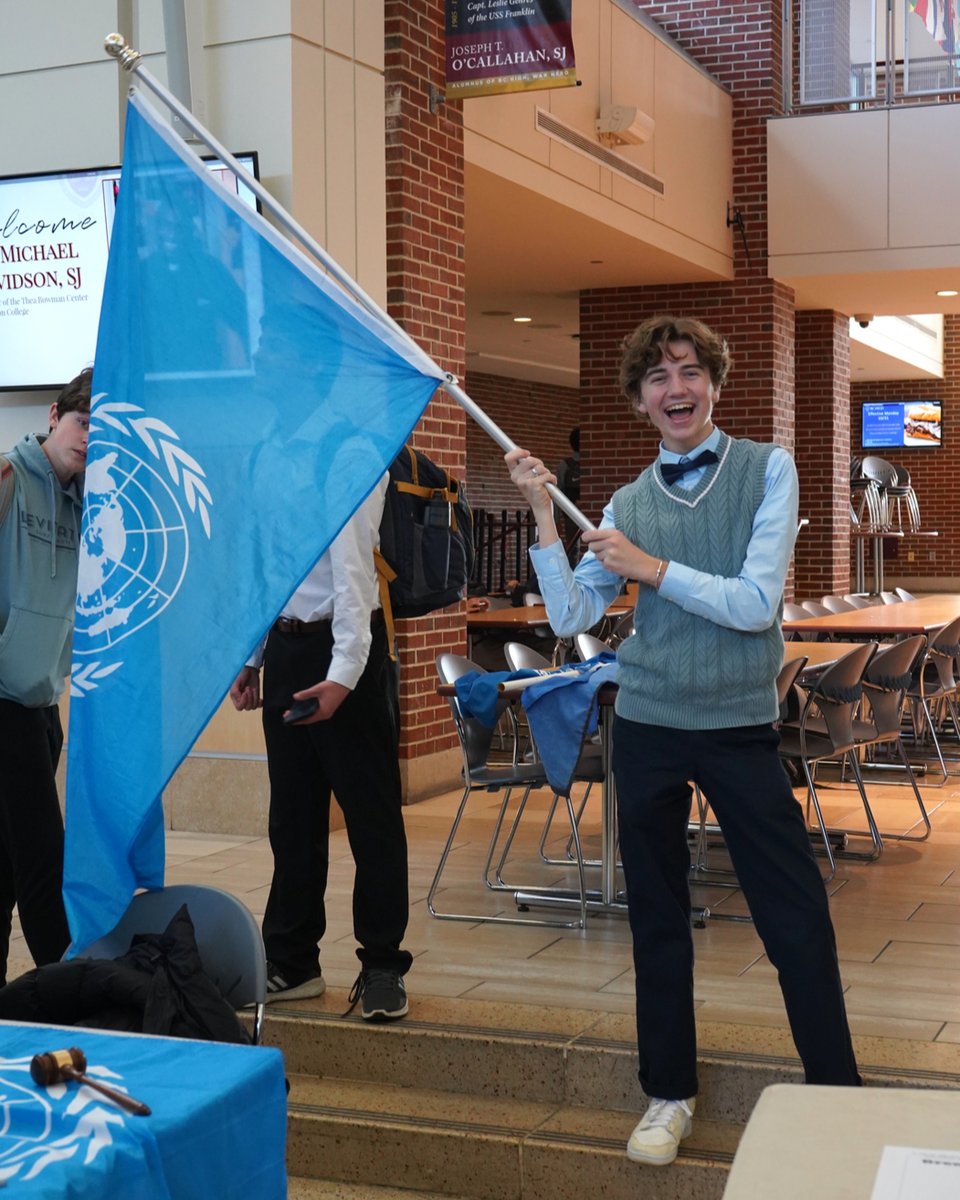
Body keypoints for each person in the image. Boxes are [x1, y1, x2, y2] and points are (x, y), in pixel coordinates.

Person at [505, 315, 859, 1167]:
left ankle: (840, 1097)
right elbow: (571, 616)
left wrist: (649, 568)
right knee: (657, 917)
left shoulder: (768, 469)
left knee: (795, 915)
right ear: (639, 400)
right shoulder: (626, 502)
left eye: (689, 371)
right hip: (651, 724)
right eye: (658, 378)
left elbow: (751, 603)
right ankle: (669, 1093)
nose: (676, 389)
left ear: (714, 382)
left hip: (738, 726)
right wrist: (543, 525)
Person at [230, 476, 412, 1021]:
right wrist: (253, 657)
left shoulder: (353, 458)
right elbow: (269, 570)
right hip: (286, 648)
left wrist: (343, 677)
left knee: (370, 818)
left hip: (346, 653)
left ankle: (382, 964)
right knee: (292, 817)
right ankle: (293, 961)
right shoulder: (274, 463)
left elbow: (356, 578)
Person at [0, 367, 92, 986]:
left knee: (5, 862)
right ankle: (70, 992)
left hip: (39, 702)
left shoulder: (88, 500)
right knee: (40, 855)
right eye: (83, 423)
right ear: (55, 416)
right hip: (1, 699)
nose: (87, 440)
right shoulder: (9, 475)